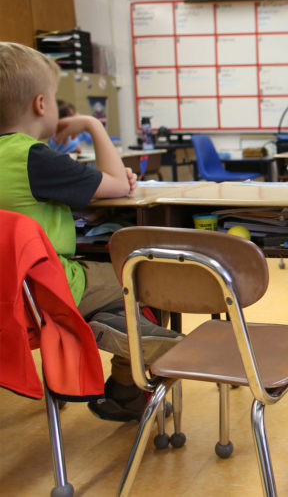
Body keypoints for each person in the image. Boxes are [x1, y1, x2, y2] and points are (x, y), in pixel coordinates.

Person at [0, 42, 182, 422]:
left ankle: (109, 332)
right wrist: (91, 124)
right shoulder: (34, 157)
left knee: (115, 285)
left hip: (8, 298)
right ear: (40, 105)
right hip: (46, 291)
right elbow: (119, 185)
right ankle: (125, 386)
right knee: (146, 275)